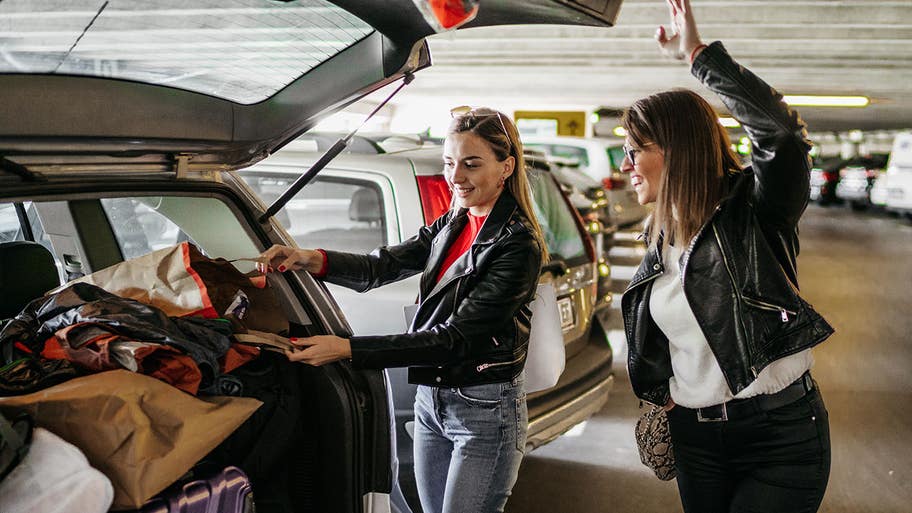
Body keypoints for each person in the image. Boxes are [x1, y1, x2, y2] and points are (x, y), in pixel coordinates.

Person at [257, 107, 546, 513]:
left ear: (506, 167)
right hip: (432, 401)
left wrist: (347, 349)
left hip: (484, 410)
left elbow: (455, 339)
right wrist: (311, 258)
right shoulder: (455, 222)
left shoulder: (516, 244)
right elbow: (383, 265)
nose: (456, 177)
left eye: (471, 164)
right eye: (449, 163)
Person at [621, 1, 834, 512]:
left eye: (635, 149)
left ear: (674, 150)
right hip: (698, 441)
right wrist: (665, 396)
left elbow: (781, 135)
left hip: (780, 436)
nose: (625, 164)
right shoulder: (660, 244)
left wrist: (698, 56)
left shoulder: (756, 213)